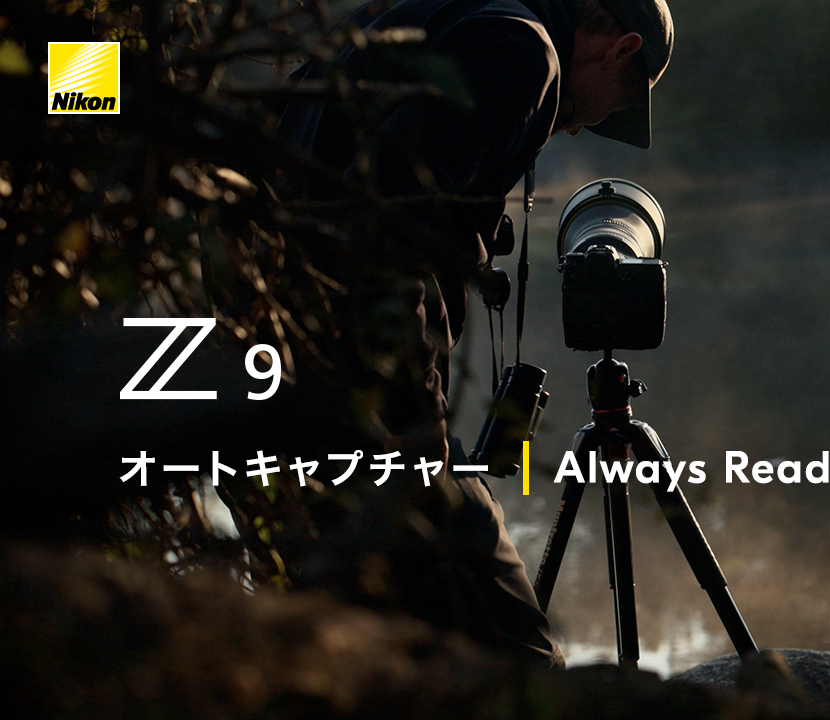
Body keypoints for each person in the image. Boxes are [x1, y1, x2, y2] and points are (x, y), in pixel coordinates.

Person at [270, 0, 674, 668]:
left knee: (345, 654)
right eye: (615, 106)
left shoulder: (413, 12)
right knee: (519, 656)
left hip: (274, 380)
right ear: (621, 49)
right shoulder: (522, 54)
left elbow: (263, 134)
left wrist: (67, 80)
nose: (584, 126)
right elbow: (382, 224)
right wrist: (417, 431)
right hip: (368, 407)